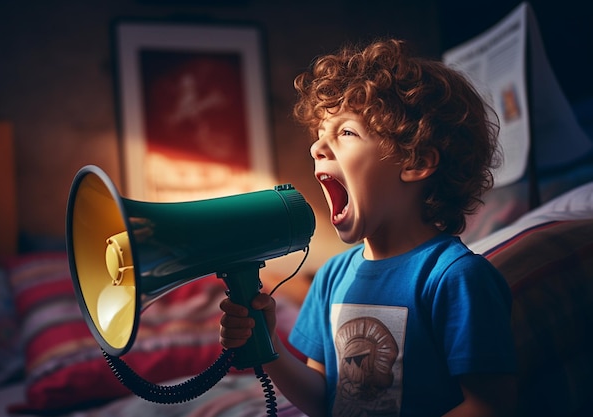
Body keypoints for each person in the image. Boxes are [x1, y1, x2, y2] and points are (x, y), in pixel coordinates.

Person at [219, 38, 517, 417]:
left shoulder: (456, 277)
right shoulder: (331, 277)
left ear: (416, 162)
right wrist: (267, 346)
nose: (317, 148)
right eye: (320, 134)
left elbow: (490, 406)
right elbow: (324, 397)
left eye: (345, 133)